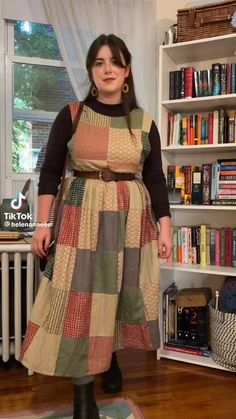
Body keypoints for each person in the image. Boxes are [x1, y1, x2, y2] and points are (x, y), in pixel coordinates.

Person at [20, 34, 172, 419]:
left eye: (115, 62)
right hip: (81, 219)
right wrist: (42, 224)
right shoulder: (71, 115)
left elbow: (155, 179)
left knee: (120, 295)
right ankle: (83, 396)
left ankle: (110, 358)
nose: (107, 69)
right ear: (91, 71)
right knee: (80, 301)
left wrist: (166, 227)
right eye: (99, 62)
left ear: (127, 71)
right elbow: (51, 172)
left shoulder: (144, 122)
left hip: (131, 222)